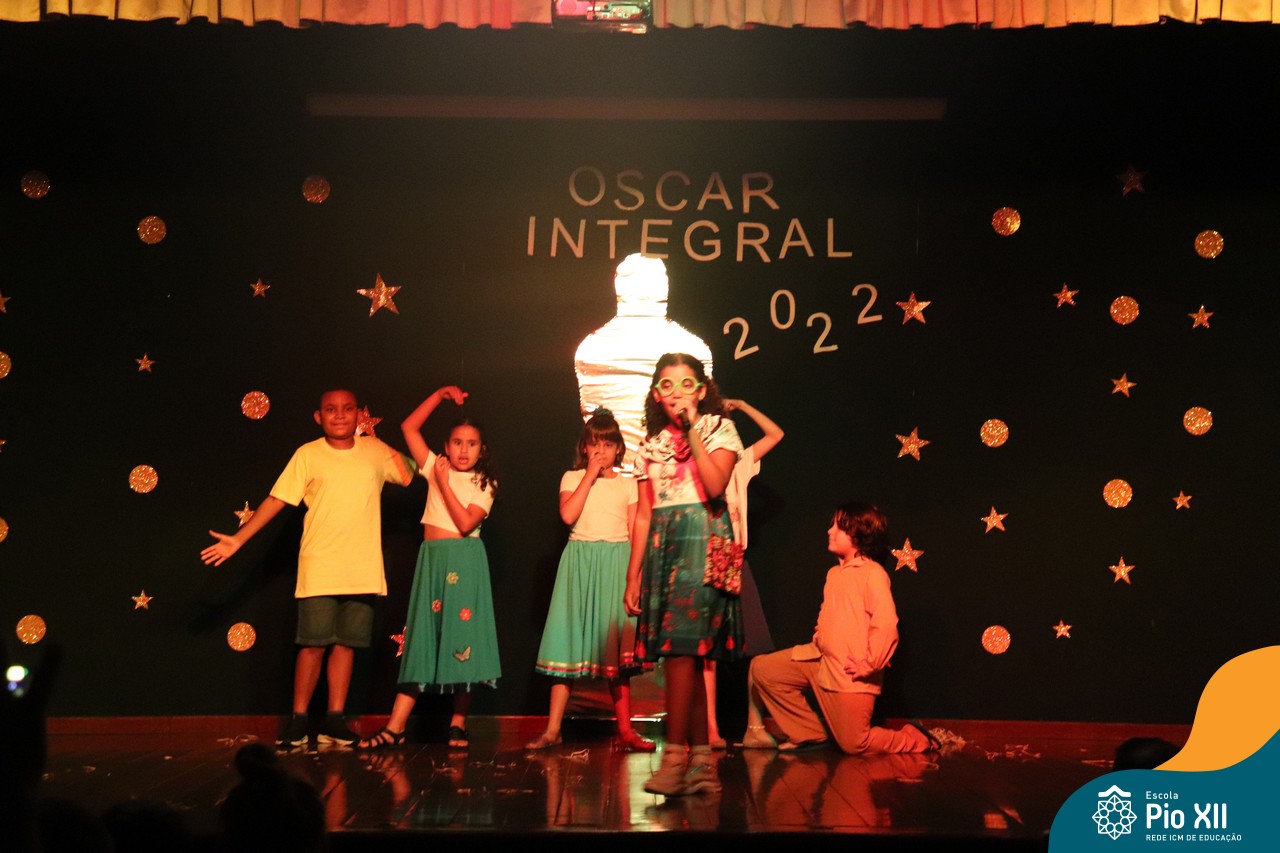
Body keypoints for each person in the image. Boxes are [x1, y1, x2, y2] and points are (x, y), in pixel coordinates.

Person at [201, 389, 414, 749]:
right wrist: (238, 539)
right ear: (318, 416)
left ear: (358, 414)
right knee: (313, 644)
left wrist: (379, 442)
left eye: (348, 409)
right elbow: (278, 499)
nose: (340, 415)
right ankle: (299, 719)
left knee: (346, 644)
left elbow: (411, 471)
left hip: (362, 568)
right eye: (331, 409)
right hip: (320, 566)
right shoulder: (308, 454)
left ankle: (335, 719)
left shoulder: (374, 452)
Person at [624, 353, 744, 796]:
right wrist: (633, 575)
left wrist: (693, 428)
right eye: (668, 385)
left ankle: (674, 758)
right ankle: (701, 765)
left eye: (687, 383)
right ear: (657, 394)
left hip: (703, 546)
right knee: (684, 659)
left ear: (702, 390)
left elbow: (714, 486)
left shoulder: (718, 429)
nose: (677, 392)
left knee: (683, 651)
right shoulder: (650, 446)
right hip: (665, 548)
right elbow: (643, 514)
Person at [357, 386, 500, 751]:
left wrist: (443, 482)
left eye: (471, 444)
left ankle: (458, 724)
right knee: (422, 636)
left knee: (463, 637)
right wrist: (438, 396)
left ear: (482, 450)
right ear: (446, 446)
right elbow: (408, 428)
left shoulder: (485, 483)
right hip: (434, 561)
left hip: (465, 561)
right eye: (457, 443)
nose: (463, 450)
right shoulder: (435, 465)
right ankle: (396, 726)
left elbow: (465, 523)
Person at [749, 502, 939, 755]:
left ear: (857, 535)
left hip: (849, 673)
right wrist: (821, 634)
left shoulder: (872, 573)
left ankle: (916, 739)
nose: (830, 531)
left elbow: (885, 623)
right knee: (764, 669)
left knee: (854, 743)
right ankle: (810, 734)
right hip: (821, 660)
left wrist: (870, 663)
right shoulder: (834, 574)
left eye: (838, 527)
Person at [525, 409, 656, 753]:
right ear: (584, 447)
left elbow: (635, 533)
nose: (601, 451)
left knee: (617, 655)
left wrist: (635, 578)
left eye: (608, 444)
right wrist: (590, 475)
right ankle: (553, 729)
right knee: (567, 647)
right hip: (580, 564)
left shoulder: (628, 484)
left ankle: (626, 731)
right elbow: (568, 514)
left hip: (615, 563)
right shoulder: (572, 478)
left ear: (618, 448)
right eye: (595, 444)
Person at [703, 397, 783, 750]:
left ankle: (754, 725)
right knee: (705, 649)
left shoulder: (739, 462)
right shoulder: (695, 463)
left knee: (756, 644)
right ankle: (708, 728)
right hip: (705, 555)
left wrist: (745, 406)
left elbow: (775, 434)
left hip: (735, 556)